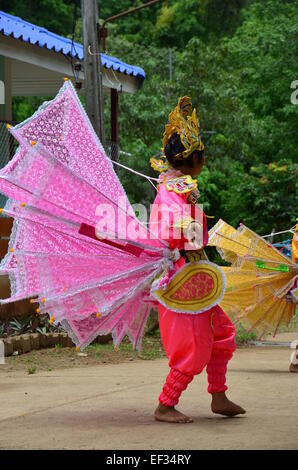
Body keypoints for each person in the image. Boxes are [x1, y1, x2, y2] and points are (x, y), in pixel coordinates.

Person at [149, 97, 246, 423]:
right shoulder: (172, 189)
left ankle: (218, 396)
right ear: (196, 159)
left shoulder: (178, 185)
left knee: (222, 331)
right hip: (182, 276)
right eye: (202, 155)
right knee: (193, 343)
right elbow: (170, 229)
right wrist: (192, 224)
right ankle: (165, 404)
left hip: (195, 272)